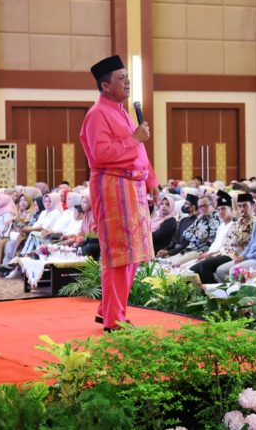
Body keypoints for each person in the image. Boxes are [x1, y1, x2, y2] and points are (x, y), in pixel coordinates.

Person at [80, 55, 157, 332]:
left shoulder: (122, 111)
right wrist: (133, 138)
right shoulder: (97, 115)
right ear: (105, 85)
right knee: (118, 255)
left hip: (133, 188)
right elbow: (100, 155)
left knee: (132, 254)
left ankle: (110, 310)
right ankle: (115, 320)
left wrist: (152, 182)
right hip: (112, 188)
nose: (127, 82)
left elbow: (139, 152)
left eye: (128, 77)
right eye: (121, 78)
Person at [214, 192, 256, 282]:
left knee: (234, 270)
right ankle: (229, 292)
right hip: (250, 258)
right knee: (220, 270)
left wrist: (246, 257)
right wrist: (241, 256)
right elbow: (250, 245)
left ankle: (237, 293)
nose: (254, 208)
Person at [192, 193, 256, 283]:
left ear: (252, 206)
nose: (241, 209)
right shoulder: (237, 223)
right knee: (192, 270)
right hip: (224, 253)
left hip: (236, 255)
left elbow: (237, 240)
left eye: (245, 205)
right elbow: (225, 242)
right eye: (239, 206)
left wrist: (236, 223)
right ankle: (201, 293)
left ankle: (214, 294)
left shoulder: (253, 222)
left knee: (205, 266)